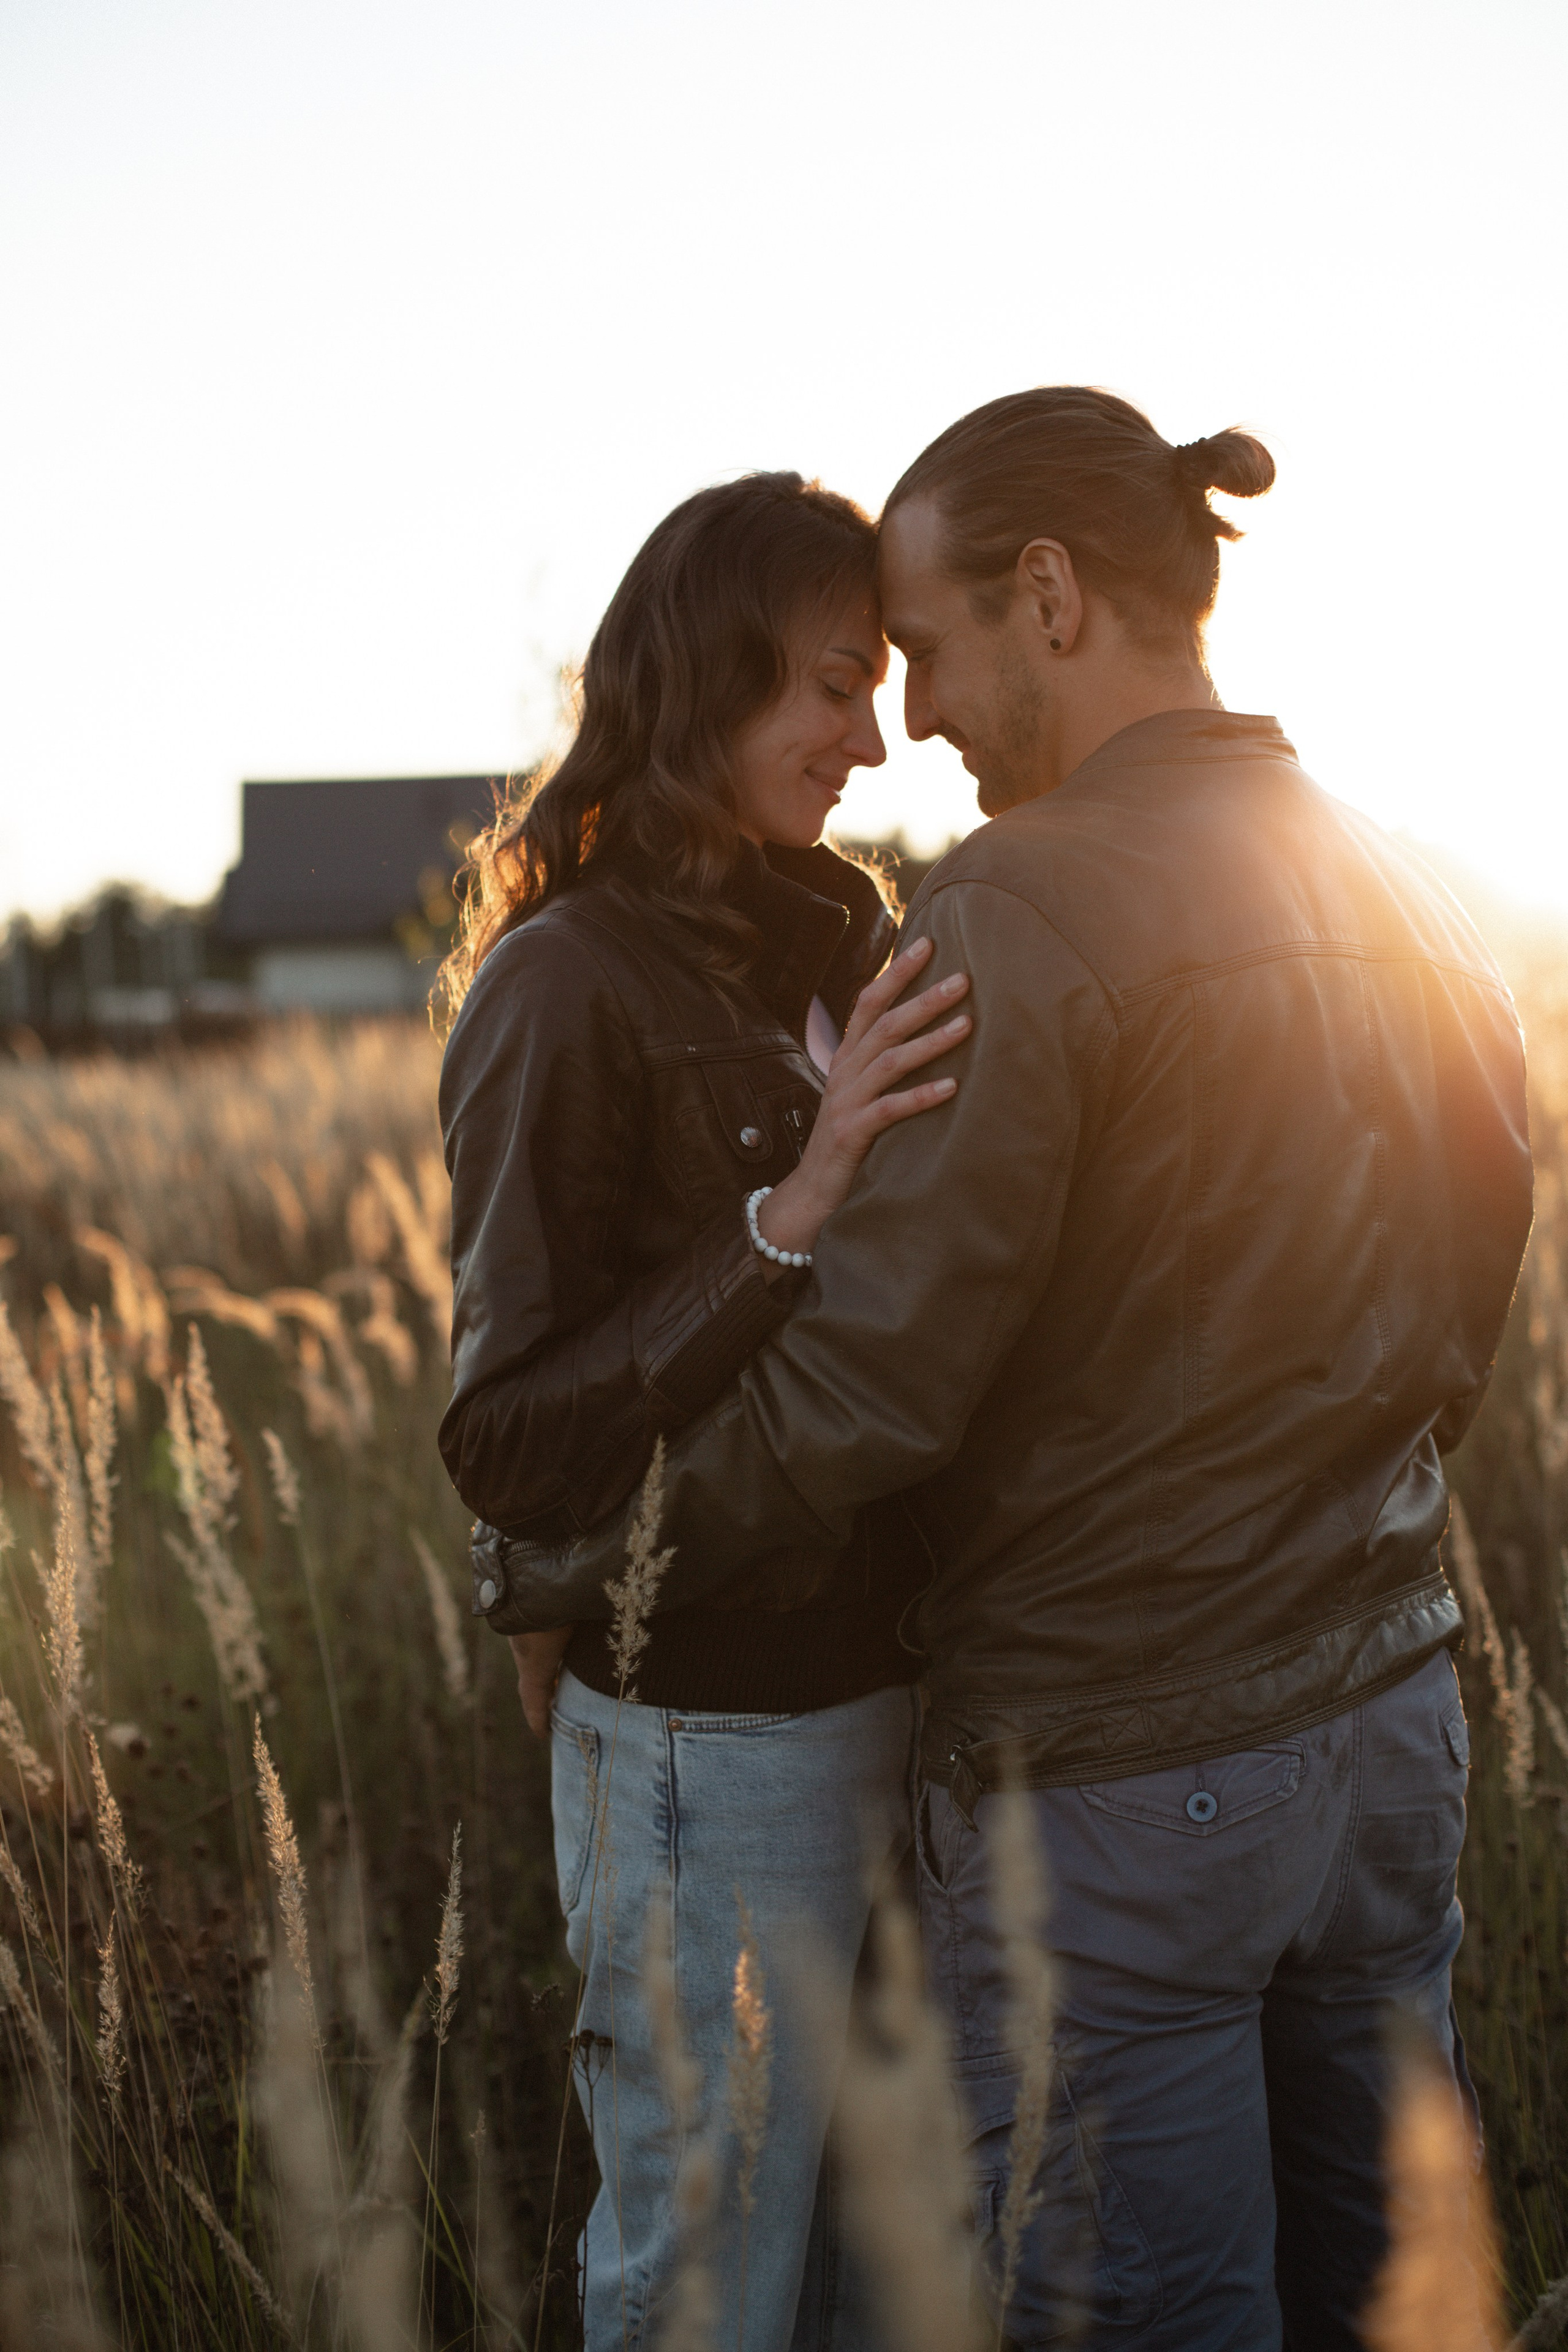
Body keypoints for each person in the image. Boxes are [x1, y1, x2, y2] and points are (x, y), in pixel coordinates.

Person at [488, 388, 1535, 2349]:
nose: (925, 717)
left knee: (1147, 2310)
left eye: (938, 652)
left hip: (1131, 1779)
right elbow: (1479, 1255)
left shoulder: (1018, 903)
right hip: (1394, 1728)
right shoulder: (1412, 880)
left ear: (1049, 595)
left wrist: (575, 1551)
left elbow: (877, 1388)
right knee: (1398, 2289)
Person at [436, 471, 971, 2352]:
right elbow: (508, 1439)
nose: (878, 735)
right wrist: (787, 1214)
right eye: (836, 684)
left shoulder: (843, 939)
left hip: (898, 1719)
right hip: (703, 1756)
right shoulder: (560, 983)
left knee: (862, 2286)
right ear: (710, 682)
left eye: (887, 680)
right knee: (708, 2294)